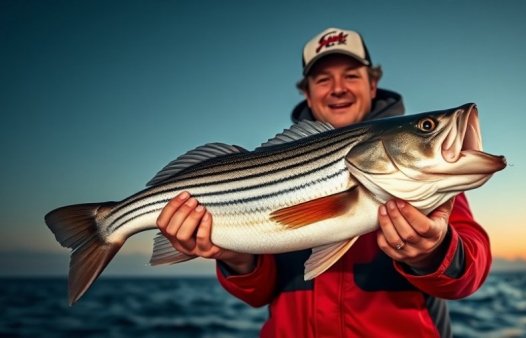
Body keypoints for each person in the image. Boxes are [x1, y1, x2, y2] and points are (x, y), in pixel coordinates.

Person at [156, 27, 491, 338]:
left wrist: (434, 252)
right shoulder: (281, 157)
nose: (339, 88)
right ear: (308, 92)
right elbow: (257, 295)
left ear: (372, 85)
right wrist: (235, 258)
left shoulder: (428, 180)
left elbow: (467, 276)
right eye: (323, 78)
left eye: (351, 75)